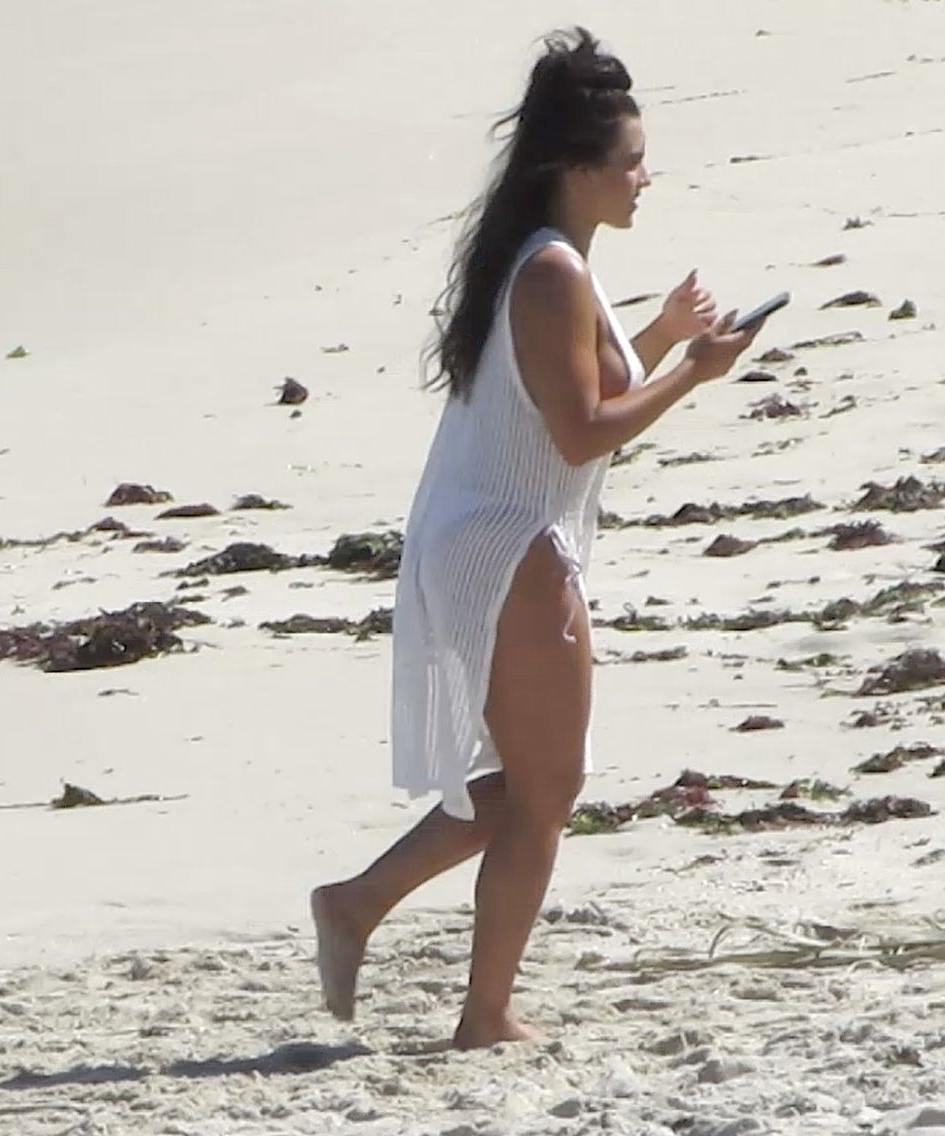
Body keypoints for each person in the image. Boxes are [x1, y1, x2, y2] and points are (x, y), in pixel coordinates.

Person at [311, 26, 764, 1049]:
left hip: (490, 538)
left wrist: (662, 337)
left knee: (516, 787)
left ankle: (358, 904)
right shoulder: (552, 270)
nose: (645, 177)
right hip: (511, 544)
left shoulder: (553, 262)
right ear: (576, 167)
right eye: (631, 161)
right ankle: (482, 1012)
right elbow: (581, 429)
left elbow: (570, 385)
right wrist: (692, 375)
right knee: (545, 791)